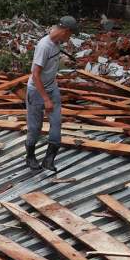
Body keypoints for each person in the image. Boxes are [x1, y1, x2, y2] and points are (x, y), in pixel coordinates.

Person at [24, 15, 77, 172]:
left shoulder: (57, 41)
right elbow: (35, 75)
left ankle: (49, 160)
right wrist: (45, 99)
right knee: (35, 127)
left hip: (52, 88)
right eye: (70, 35)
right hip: (36, 91)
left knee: (56, 123)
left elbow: (54, 34)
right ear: (66, 31)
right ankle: (30, 157)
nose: (70, 38)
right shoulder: (44, 46)